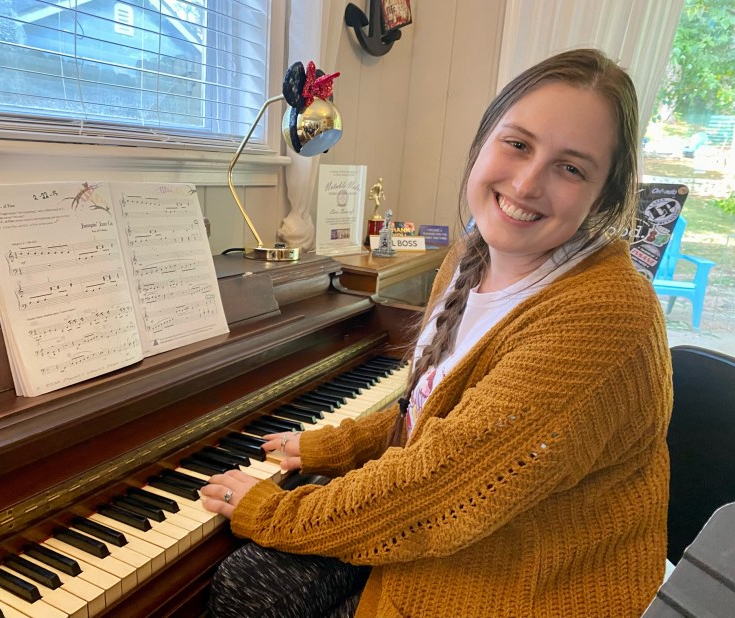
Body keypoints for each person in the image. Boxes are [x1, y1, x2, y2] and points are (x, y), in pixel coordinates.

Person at [201, 48, 671, 617]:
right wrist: (339, 445)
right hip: (453, 526)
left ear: (604, 194)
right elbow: (431, 417)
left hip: (511, 585)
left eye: (571, 168)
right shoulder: (468, 256)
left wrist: (275, 512)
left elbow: (439, 486)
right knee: (249, 580)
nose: (526, 183)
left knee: (248, 588)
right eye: (518, 144)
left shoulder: (604, 316)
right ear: (483, 141)